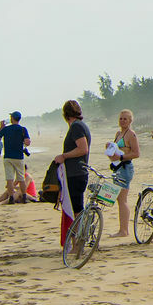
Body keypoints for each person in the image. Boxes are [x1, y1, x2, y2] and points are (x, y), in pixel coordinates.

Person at [53, 99, 93, 245]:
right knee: (77, 207)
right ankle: (77, 240)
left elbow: (83, 149)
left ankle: (78, 243)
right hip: (77, 173)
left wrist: (64, 156)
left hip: (76, 174)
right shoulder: (79, 126)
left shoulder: (76, 127)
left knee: (76, 209)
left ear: (65, 114)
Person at [108, 109, 141, 238]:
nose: (122, 121)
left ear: (130, 121)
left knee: (122, 199)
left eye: (125, 119)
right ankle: (122, 229)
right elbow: (115, 151)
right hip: (117, 168)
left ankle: (124, 230)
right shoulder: (118, 133)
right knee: (119, 199)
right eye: (121, 118)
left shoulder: (131, 134)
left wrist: (121, 158)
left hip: (125, 168)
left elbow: (136, 153)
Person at [0, 111, 31, 203]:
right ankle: (24, 196)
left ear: (12, 118)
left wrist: (1, 127)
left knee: (9, 179)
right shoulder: (23, 129)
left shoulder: (6, 129)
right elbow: (27, 142)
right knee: (21, 178)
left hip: (8, 156)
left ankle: (11, 198)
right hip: (18, 156)